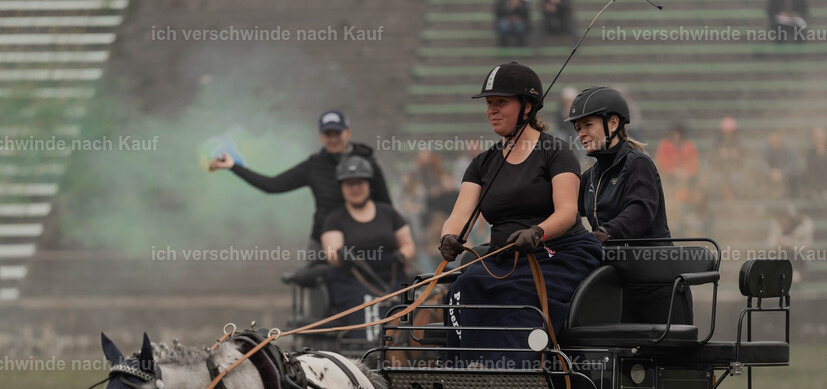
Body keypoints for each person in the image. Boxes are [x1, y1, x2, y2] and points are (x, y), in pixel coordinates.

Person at [438, 62, 602, 368]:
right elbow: (461, 214)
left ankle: (514, 377)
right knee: (461, 288)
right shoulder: (482, 163)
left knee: (513, 294)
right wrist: (448, 236)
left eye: (501, 102)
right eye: (489, 103)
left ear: (527, 108)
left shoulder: (556, 152)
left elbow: (567, 212)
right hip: (506, 258)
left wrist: (538, 232)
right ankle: (466, 372)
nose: (492, 110)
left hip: (559, 253)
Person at [565, 85, 686, 324]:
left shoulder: (637, 163)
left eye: (588, 125)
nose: (581, 133)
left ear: (612, 124)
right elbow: (566, 209)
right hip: (616, 283)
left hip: (654, 287)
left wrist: (607, 233)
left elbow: (640, 211)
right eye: (578, 128)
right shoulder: (592, 175)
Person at [209, 110, 391, 253]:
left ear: (348, 132)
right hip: (323, 241)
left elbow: (385, 204)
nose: (333, 138)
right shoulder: (314, 166)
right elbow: (273, 185)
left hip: (365, 240)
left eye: (338, 133)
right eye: (328, 134)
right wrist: (234, 167)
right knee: (314, 286)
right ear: (321, 136)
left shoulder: (367, 162)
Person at [321, 156, 415, 342]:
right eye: (349, 184)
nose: (355, 188)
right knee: (365, 304)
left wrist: (402, 255)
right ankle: (370, 352)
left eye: (359, 183)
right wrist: (341, 255)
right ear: (342, 187)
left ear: (369, 185)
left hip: (392, 275)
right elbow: (332, 253)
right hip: (354, 278)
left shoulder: (389, 213)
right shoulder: (335, 218)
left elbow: (407, 243)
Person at [655, 122, 700, 207]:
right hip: (669, 177)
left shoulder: (689, 146)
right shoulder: (664, 145)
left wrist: (685, 172)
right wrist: (673, 171)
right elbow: (661, 162)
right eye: (674, 135)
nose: (676, 138)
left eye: (678, 135)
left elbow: (693, 163)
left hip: (687, 177)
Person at [712, 116, 743, 201]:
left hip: (734, 171)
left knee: (736, 179)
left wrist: (736, 156)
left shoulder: (738, 142)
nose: (729, 134)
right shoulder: (717, 142)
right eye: (726, 132)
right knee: (717, 180)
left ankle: (736, 201)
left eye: (731, 132)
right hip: (720, 170)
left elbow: (742, 161)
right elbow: (713, 160)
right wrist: (720, 156)